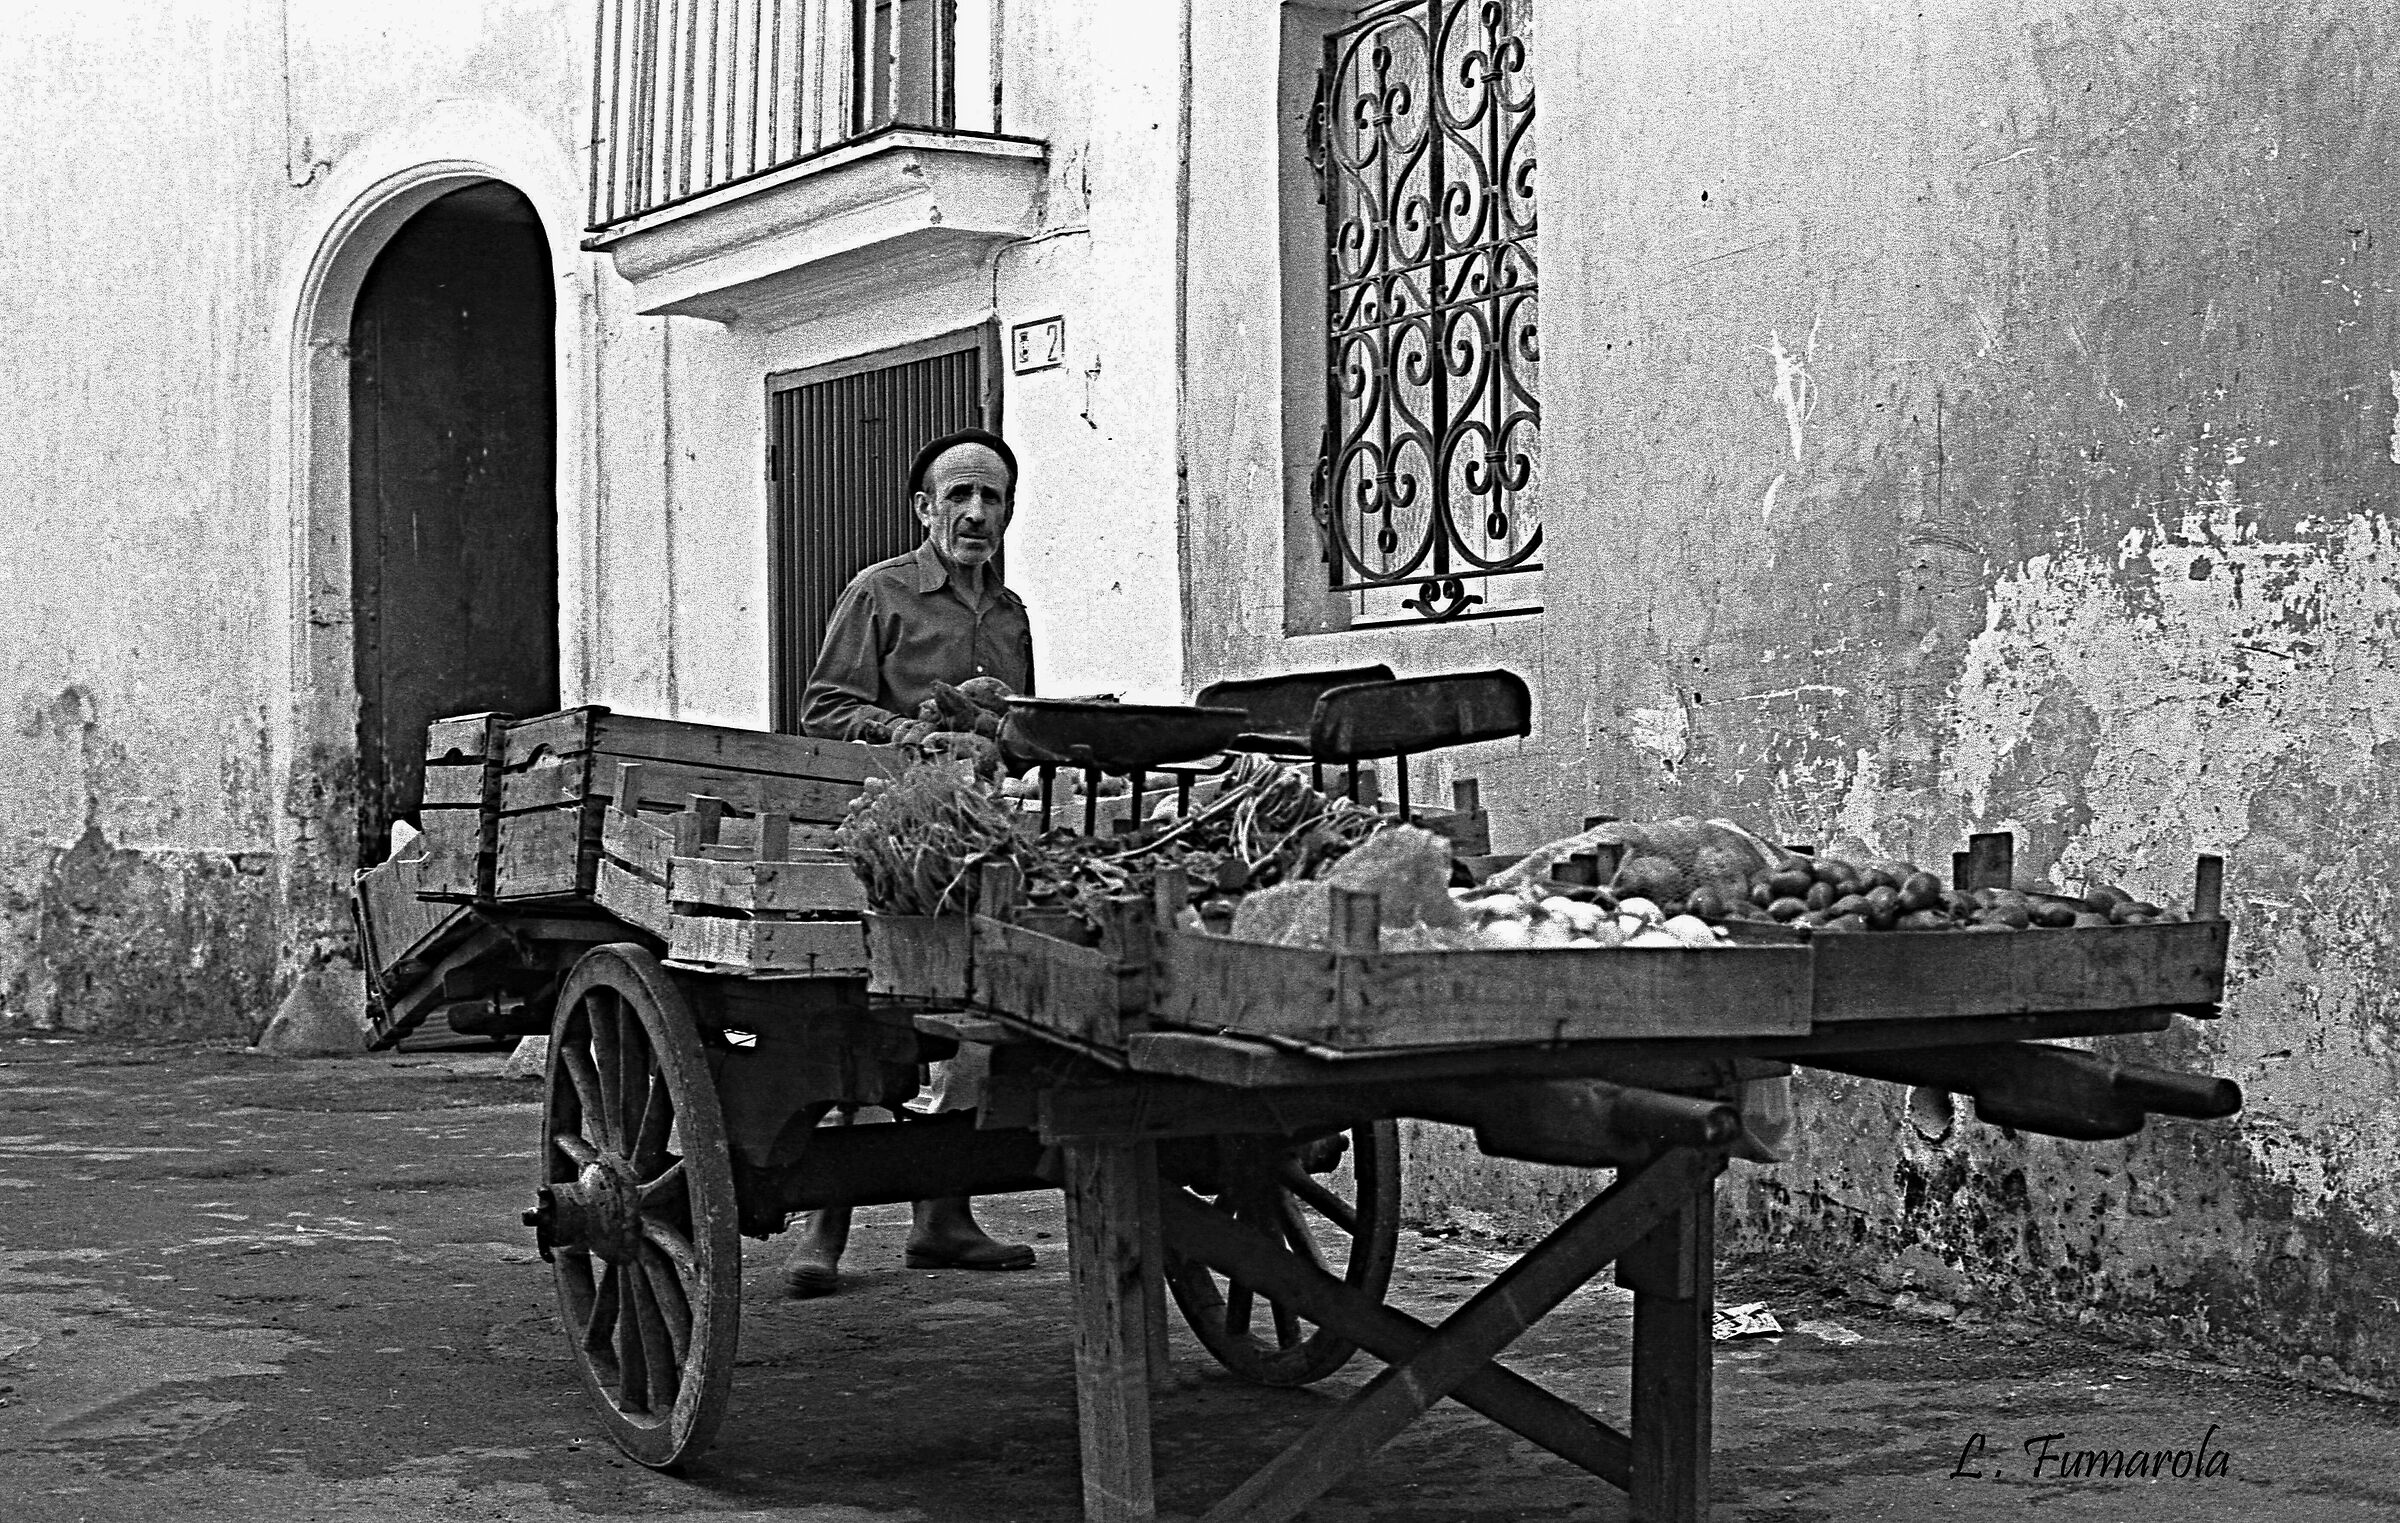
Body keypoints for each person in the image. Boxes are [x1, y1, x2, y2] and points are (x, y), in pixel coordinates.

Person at [785, 426, 1037, 1297]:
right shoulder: (879, 593)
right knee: (869, 1018)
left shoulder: (1009, 615)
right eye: (958, 496)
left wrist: (1014, 726)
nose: (975, 513)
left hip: (976, 843)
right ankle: (824, 1229)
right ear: (924, 509)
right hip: (886, 841)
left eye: (991, 498)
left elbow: (1008, 728)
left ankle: (944, 1218)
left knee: (983, 1016)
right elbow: (822, 705)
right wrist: (909, 732)